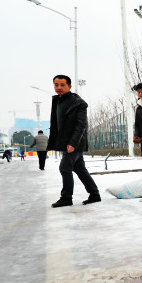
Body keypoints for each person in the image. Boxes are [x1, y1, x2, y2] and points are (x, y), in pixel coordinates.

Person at [47, 74, 101, 208]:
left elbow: (81, 125)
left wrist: (72, 143)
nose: (59, 87)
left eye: (62, 85)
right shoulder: (58, 101)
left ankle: (66, 197)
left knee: (64, 168)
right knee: (80, 169)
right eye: (56, 84)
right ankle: (94, 194)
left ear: (70, 86)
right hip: (66, 141)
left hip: (74, 142)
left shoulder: (78, 103)